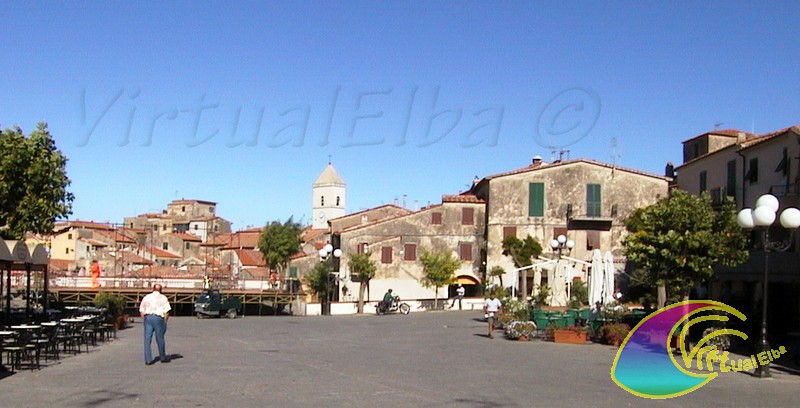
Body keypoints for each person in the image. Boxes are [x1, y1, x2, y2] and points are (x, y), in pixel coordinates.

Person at [139, 284, 172, 365]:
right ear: (161, 290)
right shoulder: (163, 298)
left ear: (152, 289)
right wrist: (165, 321)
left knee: (147, 339)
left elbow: (141, 310)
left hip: (148, 317)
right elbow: (167, 310)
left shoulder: (147, 297)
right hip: (158, 318)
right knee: (160, 338)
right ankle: (162, 357)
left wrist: (145, 319)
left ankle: (148, 359)